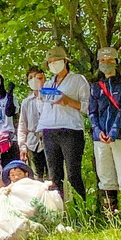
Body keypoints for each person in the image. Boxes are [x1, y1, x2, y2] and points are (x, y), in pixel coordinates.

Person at [88, 47, 121, 216]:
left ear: (116, 62)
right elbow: (92, 112)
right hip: (100, 139)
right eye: (102, 60)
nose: (106, 63)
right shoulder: (95, 87)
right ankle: (110, 217)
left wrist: (114, 130)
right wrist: (97, 130)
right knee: (106, 178)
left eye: (110, 60)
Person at [37, 46, 90, 201]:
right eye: (50, 62)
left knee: (73, 174)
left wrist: (68, 101)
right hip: (48, 131)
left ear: (65, 61)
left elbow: (88, 106)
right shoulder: (48, 84)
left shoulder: (78, 80)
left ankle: (82, 209)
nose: (54, 64)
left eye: (57, 61)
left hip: (71, 130)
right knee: (54, 176)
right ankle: (59, 212)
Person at [17, 65, 48, 180]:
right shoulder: (26, 102)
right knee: (35, 176)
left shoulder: (51, 96)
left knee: (53, 175)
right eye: (31, 77)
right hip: (33, 143)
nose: (34, 79)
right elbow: (22, 125)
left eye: (37, 76)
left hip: (50, 140)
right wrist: (22, 146)